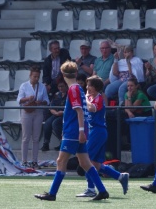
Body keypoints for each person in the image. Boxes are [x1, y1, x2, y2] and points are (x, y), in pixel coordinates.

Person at [34, 61, 110, 201]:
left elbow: (79, 111)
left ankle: (52, 193)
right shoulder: (79, 88)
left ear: (63, 74)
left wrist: (80, 131)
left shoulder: (73, 89)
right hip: (77, 130)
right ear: (75, 73)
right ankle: (102, 190)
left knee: (60, 161)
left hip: (73, 131)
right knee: (85, 163)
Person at [76, 75, 130, 198]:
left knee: (87, 160)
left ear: (95, 87)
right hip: (94, 131)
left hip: (97, 131)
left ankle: (91, 188)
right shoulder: (91, 97)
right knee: (95, 164)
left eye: (89, 85)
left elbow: (91, 108)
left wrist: (84, 99)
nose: (87, 87)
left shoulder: (98, 98)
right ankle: (120, 176)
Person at [16, 65, 49, 168]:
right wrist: (27, 99)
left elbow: (47, 101)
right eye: (34, 76)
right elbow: (19, 100)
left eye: (37, 77)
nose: (36, 78)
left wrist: (41, 102)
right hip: (27, 112)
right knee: (26, 137)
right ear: (30, 75)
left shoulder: (42, 86)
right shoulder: (24, 86)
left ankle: (35, 161)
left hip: (38, 111)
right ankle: (24, 161)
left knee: (36, 138)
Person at [41, 80, 67, 152]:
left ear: (66, 86)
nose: (61, 88)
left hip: (65, 114)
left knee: (55, 123)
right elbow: (51, 107)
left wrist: (62, 112)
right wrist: (55, 112)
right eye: (59, 86)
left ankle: (62, 141)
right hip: (56, 113)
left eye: (62, 86)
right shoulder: (57, 94)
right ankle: (46, 143)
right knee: (47, 123)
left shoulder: (69, 95)